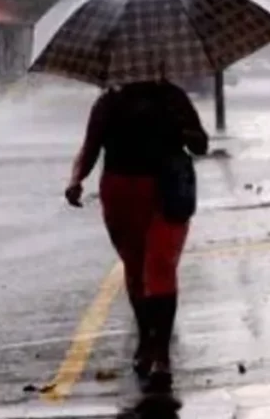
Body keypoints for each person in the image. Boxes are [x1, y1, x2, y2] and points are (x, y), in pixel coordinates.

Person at [64, 79, 208, 389]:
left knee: (159, 266)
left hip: (167, 191)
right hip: (120, 194)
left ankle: (161, 354)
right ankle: (146, 338)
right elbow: (90, 147)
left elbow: (201, 144)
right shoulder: (108, 102)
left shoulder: (173, 96)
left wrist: (184, 131)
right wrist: (76, 180)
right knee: (135, 267)